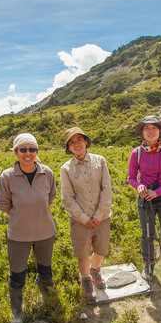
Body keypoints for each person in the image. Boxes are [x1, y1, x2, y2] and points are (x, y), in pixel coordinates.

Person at [0, 133, 57, 323]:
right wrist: (20, 214)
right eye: (23, 149)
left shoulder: (47, 172)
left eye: (32, 149)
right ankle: (17, 313)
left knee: (46, 270)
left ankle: (49, 302)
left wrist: (34, 210)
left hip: (45, 232)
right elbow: (2, 202)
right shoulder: (7, 176)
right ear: (15, 152)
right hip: (18, 235)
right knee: (17, 274)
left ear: (37, 151)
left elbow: (51, 196)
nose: (28, 153)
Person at [60, 127, 112, 304]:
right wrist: (84, 218)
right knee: (82, 252)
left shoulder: (100, 161)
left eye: (79, 140)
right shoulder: (66, 169)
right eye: (72, 142)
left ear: (85, 141)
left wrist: (98, 215)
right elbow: (67, 198)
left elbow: (107, 190)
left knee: (101, 249)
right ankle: (86, 280)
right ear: (69, 147)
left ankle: (95, 270)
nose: (76, 144)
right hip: (79, 220)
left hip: (103, 216)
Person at [128, 115, 161, 283]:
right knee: (146, 235)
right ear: (142, 132)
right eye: (146, 128)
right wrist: (139, 186)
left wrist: (158, 192)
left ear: (160, 131)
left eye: (154, 128)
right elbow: (131, 178)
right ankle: (148, 265)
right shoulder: (137, 153)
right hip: (145, 199)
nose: (150, 132)